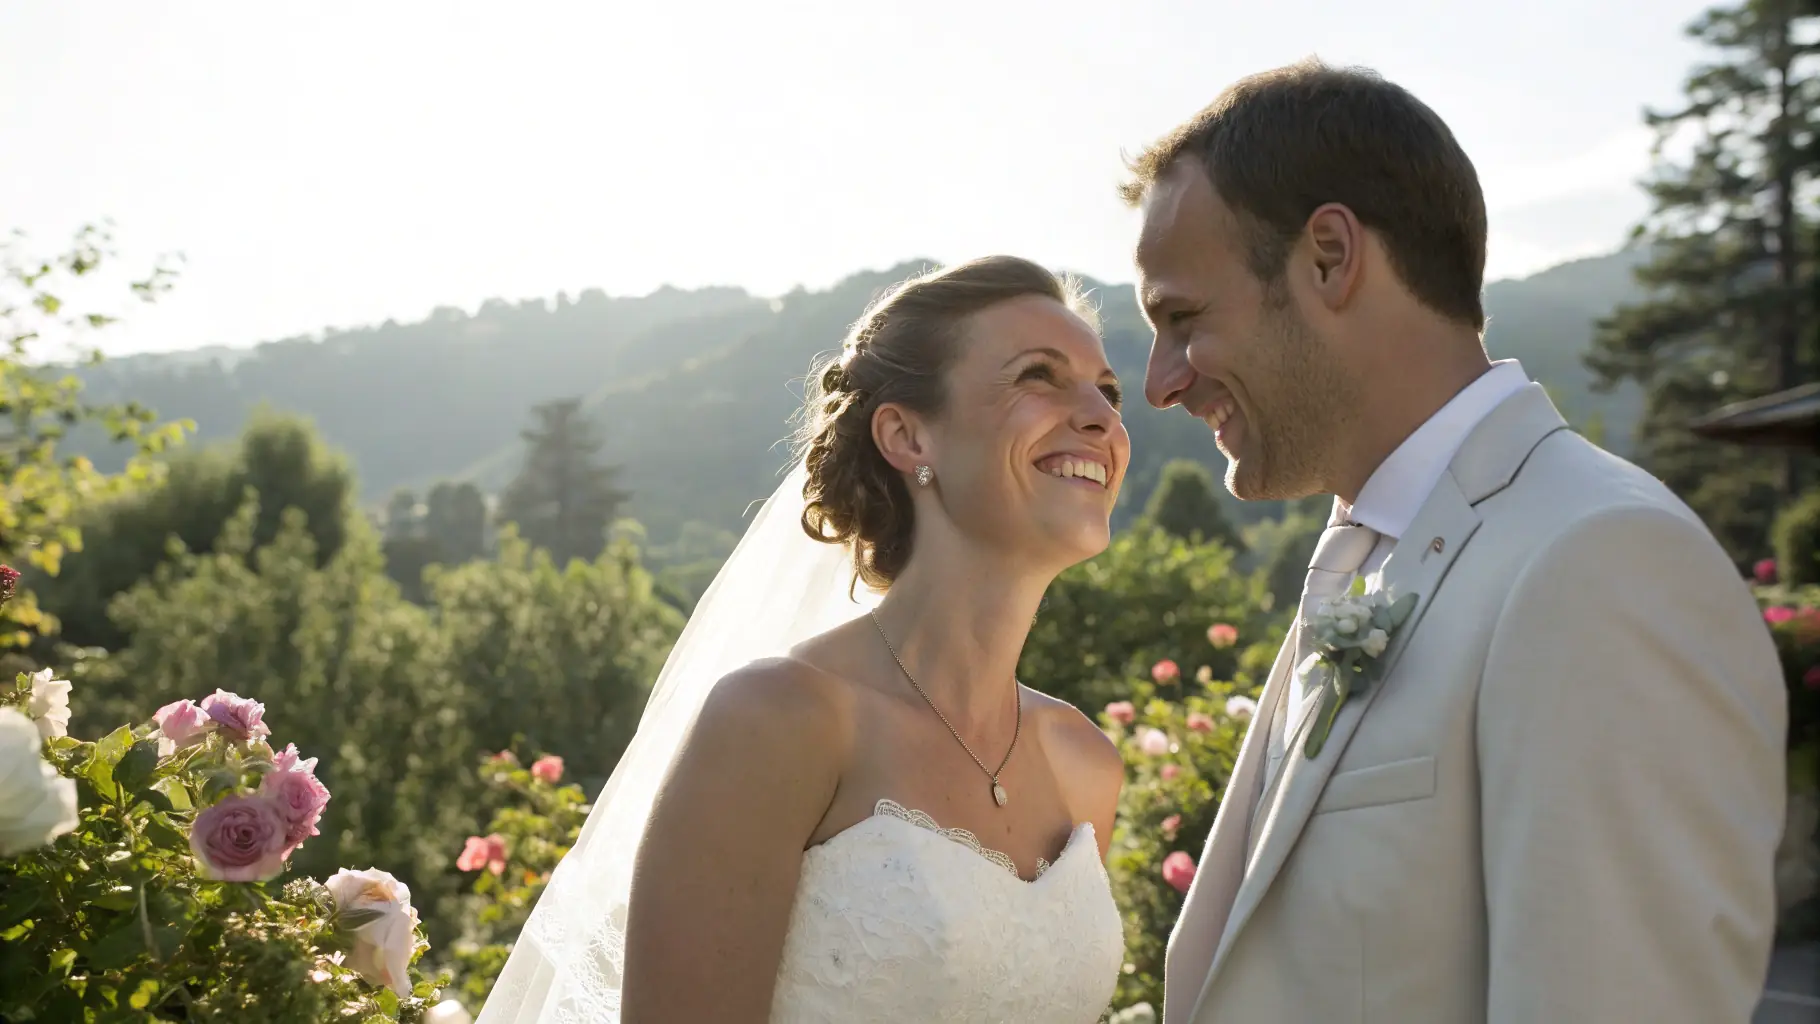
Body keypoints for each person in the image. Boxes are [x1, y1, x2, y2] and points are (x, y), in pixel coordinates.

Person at [1126, 59, 1788, 1023]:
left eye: (1183, 319)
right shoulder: (1372, 551)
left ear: (1329, 257)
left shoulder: (1602, 563)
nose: (1160, 382)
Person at [477, 255, 1131, 1023]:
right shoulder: (779, 720)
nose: (1101, 416)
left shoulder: (1085, 765)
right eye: (1038, 377)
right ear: (908, 435)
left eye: (1108, 391)